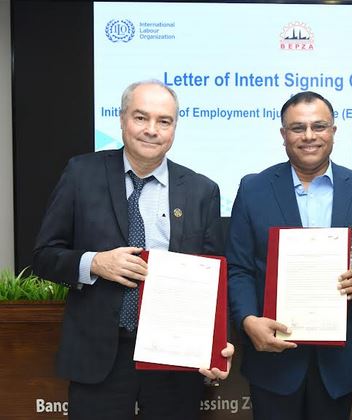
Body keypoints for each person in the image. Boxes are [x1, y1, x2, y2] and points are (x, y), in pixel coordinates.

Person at [33, 80, 233, 420]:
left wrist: (217, 344)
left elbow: (214, 279)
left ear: (174, 128)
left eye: (164, 121)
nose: (152, 130)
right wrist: (95, 263)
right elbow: (44, 256)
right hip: (100, 356)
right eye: (141, 117)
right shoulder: (82, 173)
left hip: (175, 357)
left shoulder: (201, 190)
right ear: (122, 119)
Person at [227, 91, 352, 419]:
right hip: (273, 359)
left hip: (337, 364)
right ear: (283, 135)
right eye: (298, 128)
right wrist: (248, 320)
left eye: (319, 126)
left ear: (333, 131)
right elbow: (239, 268)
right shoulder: (253, 189)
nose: (309, 136)